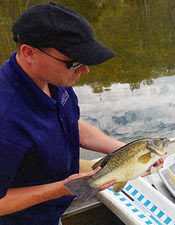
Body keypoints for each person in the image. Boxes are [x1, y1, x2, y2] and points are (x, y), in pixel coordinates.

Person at [0, 3, 161, 224]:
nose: (84, 69)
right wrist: (62, 188)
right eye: (74, 62)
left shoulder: (51, 77)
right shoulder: (6, 118)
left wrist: (126, 151)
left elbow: (71, 125)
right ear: (29, 53)